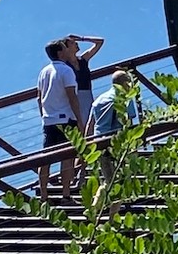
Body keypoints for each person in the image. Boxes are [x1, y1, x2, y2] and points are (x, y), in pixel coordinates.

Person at [35, 38, 81, 201]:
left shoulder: (43, 72)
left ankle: (44, 195)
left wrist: (44, 115)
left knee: (46, 158)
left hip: (49, 120)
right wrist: (79, 119)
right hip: (66, 119)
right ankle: (66, 194)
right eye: (64, 48)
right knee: (67, 157)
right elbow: (72, 96)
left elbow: (39, 98)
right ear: (60, 52)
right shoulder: (66, 71)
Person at [86, 70, 139, 203]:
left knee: (108, 179)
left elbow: (90, 124)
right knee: (119, 180)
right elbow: (129, 123)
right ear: (125, 83)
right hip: (117, 143)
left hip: (99, 142)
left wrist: (86, 145)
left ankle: (94, 207)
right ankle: (116, 211)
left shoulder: (99, 100)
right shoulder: (125, 99)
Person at [67, 32, 104, 124]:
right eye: (72, 43)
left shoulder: (82, 59)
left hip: (87, 94)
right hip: (74, 96)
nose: (76, 43)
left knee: (91, 121)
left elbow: (100, 42)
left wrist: (82, 38)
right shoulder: (65, 65)